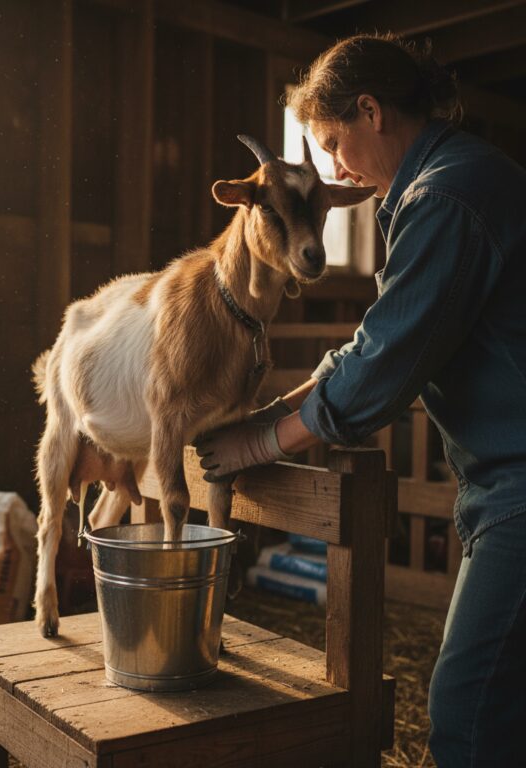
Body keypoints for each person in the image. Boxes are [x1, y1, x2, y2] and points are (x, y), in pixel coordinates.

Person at [194, 33, 526, 768]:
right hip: (501, 485)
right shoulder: (451, 178)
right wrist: (279, 410)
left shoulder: (444, 195)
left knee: (468, 711)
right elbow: (375, 346)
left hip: (521, 488)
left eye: (333, 141)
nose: (335, 167)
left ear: (372, 111)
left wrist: (254, 444)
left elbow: (382, 367)